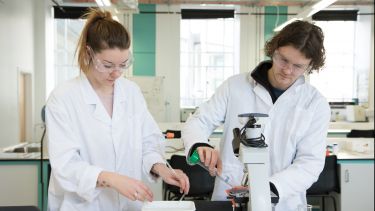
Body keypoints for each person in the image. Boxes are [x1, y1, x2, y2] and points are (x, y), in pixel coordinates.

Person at [46, 8, 189, 211]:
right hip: (82, 206)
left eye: (123, 64)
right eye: (107, 65)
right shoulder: (63, 98)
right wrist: (111, 179)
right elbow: (65, 166)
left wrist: (161, 168)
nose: (116, 73)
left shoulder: (131, 92)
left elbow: (148, 142)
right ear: (89, 53)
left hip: (128, 205)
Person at [182, 20, 330, 211]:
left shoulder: (315, 104)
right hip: (231, 197)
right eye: (283, 59)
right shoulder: (235, 86)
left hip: (283, 201)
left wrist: (266, 189)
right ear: (273, 50)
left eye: (298, 66)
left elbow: (310, 163)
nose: (287, 70)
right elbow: (198, 121)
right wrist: (199, 144)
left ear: (310, 65)